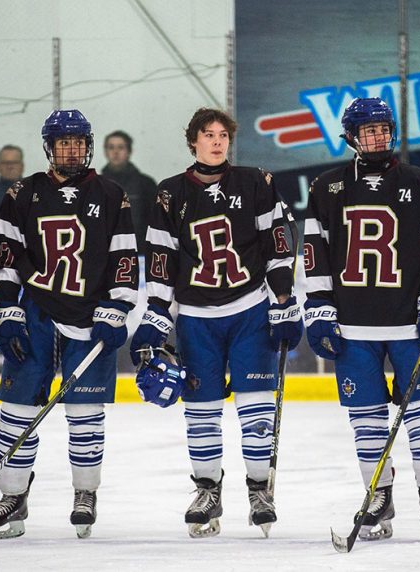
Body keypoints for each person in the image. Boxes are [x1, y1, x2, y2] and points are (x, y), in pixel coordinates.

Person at [129, 107, 301, 538]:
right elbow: (163, 262)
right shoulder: (170, 193)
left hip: (248, 310)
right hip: (196, 319)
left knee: (256, 407)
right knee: (201, 411)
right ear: (193, 141)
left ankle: (260, 490)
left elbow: (279, 242)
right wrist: (154, 318)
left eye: (223, 134)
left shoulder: (255, 182)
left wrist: (283, 300)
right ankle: (208, 490)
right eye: (208, 135)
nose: (218, 141)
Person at [302, 97, 420, 541]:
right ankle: (379, 495)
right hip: (353, 328)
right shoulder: (327, 187)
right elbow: (314, 255)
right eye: (367, 130)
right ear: (351, 137)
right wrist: (320, 310)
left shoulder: (417, 181)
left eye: (382, 128)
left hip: (409, 324)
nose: (377, 137)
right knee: (366, 419)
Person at [0, 109, 137, 540]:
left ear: (88, 145)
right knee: (18, 408)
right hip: (36, 315)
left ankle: (85, 493)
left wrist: (117, 308)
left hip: (89, 318)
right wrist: (7, 310)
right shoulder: (23, 192)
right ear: (49, 147)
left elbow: (125, 257)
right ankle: (13, 496)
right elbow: (4, 254)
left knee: (85, 411)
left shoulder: (111, 193)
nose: (71, 149)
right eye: (62, 142)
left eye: (77, 142)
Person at [101, 130, 158, 249]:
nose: (115, 152)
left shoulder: (146, 184)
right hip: (105, 252)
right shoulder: (96, 185)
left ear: (129, 151)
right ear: (105, 152)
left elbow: (156, 221)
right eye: (111, 147)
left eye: (121, 147)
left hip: (139, 251)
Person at [0, 144, 24, 224]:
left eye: (14, 162)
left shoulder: (33, 194)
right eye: (6, 163)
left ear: (22, 166)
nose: (10, 167)